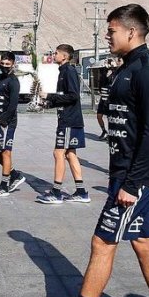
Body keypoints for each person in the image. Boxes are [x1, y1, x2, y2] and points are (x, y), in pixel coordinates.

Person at [30, 4, 149, 297]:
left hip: (135, 179)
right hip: (125, 174)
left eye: (112, 30)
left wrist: (131, 185)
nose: (107, 35)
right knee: (146, 248)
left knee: (102, 243)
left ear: (132, 32)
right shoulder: (127, 68)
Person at [36, 44, 90, 204]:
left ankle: (56, 192)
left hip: (69, 121)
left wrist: (49, 95)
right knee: (70, 154)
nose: (54, 54)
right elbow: (64, 97)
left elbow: (73, 96)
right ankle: (81, 192)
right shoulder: (63, 72)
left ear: (65, 56)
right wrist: (47, 103)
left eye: (57, 53)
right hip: (67, 119)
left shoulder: (69, 71)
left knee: (58, 153)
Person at [0, 52, 25, 196]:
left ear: (13, 65)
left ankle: (4, 185)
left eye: (7, 64)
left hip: (6, 122)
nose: (4, 66)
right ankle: (14, 174)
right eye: (2, 64)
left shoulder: (13, 81)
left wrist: (4, 120)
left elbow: (13, 104)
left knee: (6, 151)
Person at [95, 58, 116, 141]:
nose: (105, 64)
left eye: (107, 62)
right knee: (99, 116)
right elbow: (100, 83)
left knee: (109, 117)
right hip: (103, 97)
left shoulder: (115, 73)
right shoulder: (103, 72)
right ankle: (104, 131)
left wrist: (113, 69)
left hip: (110, 98)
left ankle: (111, 134)